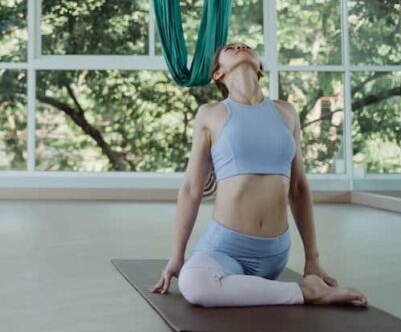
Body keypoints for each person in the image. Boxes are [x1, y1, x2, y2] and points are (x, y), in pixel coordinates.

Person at [151, 42, 367, 308]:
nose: (240, 46)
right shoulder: (210, 114)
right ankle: (305, 293)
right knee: (193, 284)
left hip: (274, 253)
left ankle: (284, 287)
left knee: (201, 286)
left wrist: (313, 259)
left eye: (246, 46)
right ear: (218, 74)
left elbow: (298, 188)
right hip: (224, 248)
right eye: (231, 48)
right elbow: (191, 189)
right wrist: (177, 256)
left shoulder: (286, 112)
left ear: (260, 69)